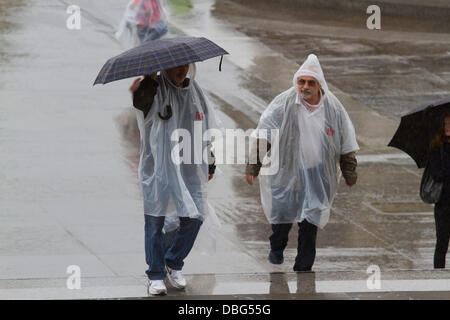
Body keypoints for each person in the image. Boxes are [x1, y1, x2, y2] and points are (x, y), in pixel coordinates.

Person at [245, 54, 359, 272]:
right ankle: (277, 248)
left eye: (310, 83)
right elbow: (264, 134)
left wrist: (349, 173)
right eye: (301, 82)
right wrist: (253, 166)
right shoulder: (283, 103)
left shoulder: (333, 109)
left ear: (319, 85)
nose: (305, 87)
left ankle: (303, 269)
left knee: (310, 222)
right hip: (287, 171)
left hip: (318, 174)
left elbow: (346, 143)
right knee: (282, 218)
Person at [129, 63, 223, 295]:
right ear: (165, 68)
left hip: (190, 167)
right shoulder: (153, 88)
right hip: (158, 167)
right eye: (175, 66)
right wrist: (149, 79)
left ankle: (173, 262)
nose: (181, 70)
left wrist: (210, 160)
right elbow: (140, 103)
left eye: (184, 66)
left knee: (195, 216)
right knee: (155, 222)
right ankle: (155, 275)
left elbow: (206, 126)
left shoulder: (195, 91)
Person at [429, 113, 450, 268]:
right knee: (441, 243)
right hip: (443, 203)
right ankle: (438, 276)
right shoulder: (437, 147)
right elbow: (436, 174)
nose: (448, 127)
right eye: (445, 124)